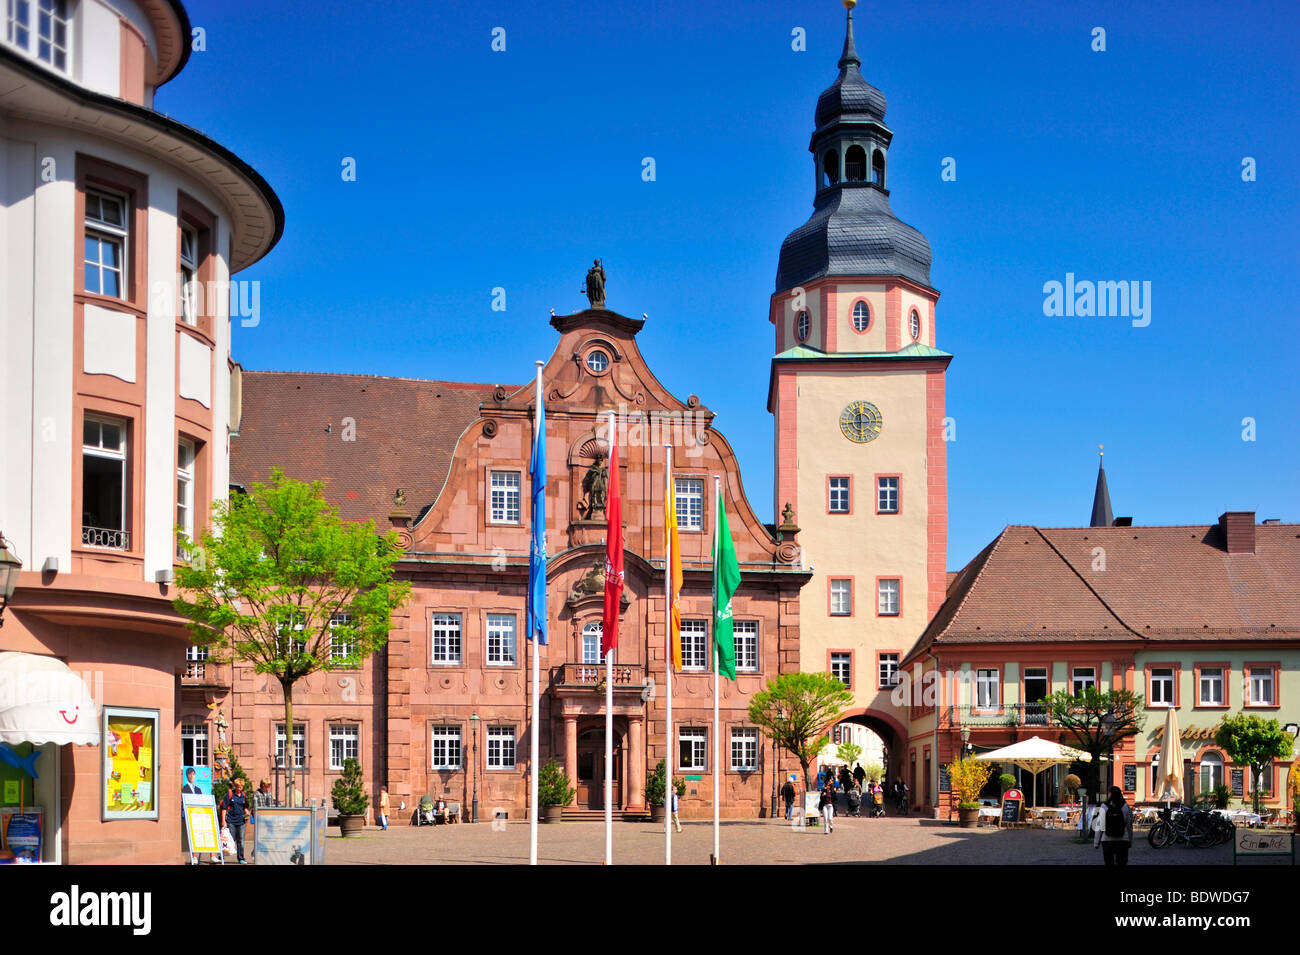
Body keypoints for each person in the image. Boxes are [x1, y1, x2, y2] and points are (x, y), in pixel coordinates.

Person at [1094, 786, 1133, 865]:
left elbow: (1099, 825)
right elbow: (1129, 825)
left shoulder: (1104, 806)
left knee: (1108, 862)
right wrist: (1130, 840)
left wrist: (1096, 842)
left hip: (1107, 840)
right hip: (1122, 840)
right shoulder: (1125, 806)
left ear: (1110, 794)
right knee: (1122, 862)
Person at [218, 777, 251, 864]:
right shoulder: (229, 794)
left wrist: (246, 811)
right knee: (229, 839)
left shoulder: (243, 795)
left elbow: (245, 806)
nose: (238, 789)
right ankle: (221, 856)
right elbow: (224, 808)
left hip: (241, 821)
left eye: (240, 787)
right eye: (237, 787)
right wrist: (223, 821)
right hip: (231, 820)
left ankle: (241, 858)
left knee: (241, 840)